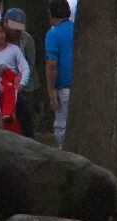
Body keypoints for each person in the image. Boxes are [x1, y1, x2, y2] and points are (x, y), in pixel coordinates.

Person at [44, 0, 73, 143]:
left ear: (51, 14)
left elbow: (52, 64)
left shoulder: (53, 34)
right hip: (82, 87)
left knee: (62, 127)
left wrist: (51, 92)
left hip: (64, 88)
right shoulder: (77, 30)